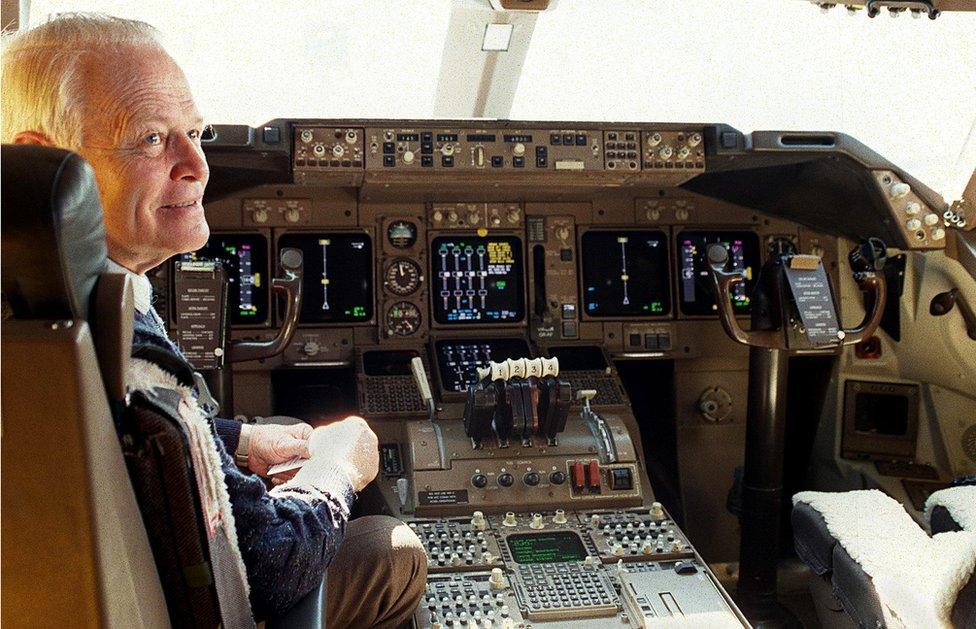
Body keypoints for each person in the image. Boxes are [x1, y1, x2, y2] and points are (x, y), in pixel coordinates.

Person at [1, 13, 426, 627]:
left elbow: (133, 433)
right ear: (42, 160)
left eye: (194, 131)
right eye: (152, 138)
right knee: (394, 549)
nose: (197, 164)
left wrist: (240, 441)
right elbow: (273, 562)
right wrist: (338, 466)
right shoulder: (128, 350)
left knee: (277, 428)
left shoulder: (45, 317)